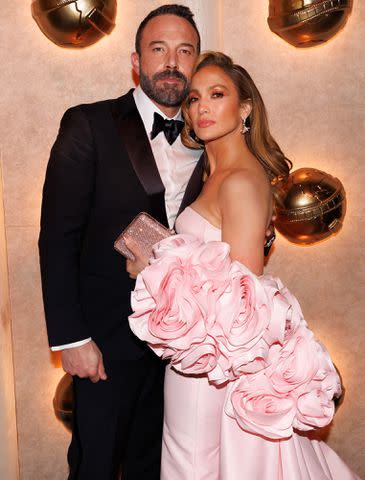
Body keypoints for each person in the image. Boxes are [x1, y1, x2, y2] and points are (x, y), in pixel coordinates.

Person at [128, 52, 360, 479]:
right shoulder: (219, 174)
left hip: (212, 366)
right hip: (200, 358)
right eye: (194, 98)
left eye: (217, 95)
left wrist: (153, 272)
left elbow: (243, 299)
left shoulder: (238, 180)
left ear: (246, 107)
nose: (202, 107)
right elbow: (214, 264)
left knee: (194, 466)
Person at [38, 5, 203, 479]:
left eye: (185, 50)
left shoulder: (211, 136)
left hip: (181, 356)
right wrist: (72, 339)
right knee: (95, 467)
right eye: (159, 49)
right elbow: (57, 238)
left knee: (158, 468)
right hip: (104, 348)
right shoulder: (88, 124)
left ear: (196, 61)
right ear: (136, 61)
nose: (172, 61)